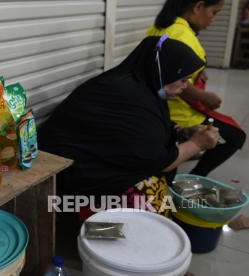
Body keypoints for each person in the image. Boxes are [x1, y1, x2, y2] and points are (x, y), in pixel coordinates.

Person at [39, 36, 219, 219]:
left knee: (156, 187)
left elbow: (144, 131)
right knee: (151, 198)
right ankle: (99, 228)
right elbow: (159, 161)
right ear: (163, 70)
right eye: (182, 79)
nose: (185, 86)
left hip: (85, 164)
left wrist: (182, 131)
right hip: (68, 183)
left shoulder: (140, 86)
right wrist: (197, 144)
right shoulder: (129, 97)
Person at [148, 0, 246, 176]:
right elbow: (172, 81)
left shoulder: (163, 27)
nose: (213, 19)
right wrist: (203, 96)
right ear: (198, 7)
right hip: (176, 114)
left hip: (159, 107)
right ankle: (196, 178)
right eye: (214, 12)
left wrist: (197, 71)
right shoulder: (182, 36)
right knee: (234, 136)